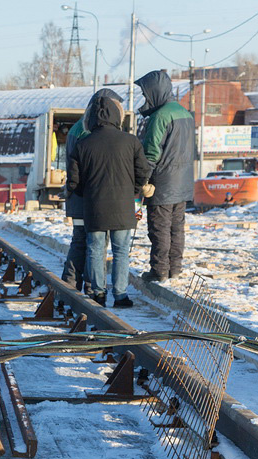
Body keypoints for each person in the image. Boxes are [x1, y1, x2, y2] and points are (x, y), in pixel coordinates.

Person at [67, 95, 153, 308]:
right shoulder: (130, 141)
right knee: (121, 250)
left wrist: (87, 193)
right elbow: (143, 171)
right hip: (123, 206)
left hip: (94, 207)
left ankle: (98, 294)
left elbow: (73, 181)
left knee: (95, 249)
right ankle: (121, 295)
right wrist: (132, 190)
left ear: (92, 117)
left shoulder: (83, 143)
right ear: (117, 116)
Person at [62, 88, 125, 292]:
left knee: (82, 241)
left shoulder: (78, 128)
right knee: (90, 243)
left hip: (80, 196)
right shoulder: (88, 131)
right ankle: (86, 287)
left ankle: (71, 286)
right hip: (87, 197)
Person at [135, 70, 196, 282]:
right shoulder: (185, 113)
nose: (145, 99)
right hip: (183, 182)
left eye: (145, 94)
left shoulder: (159, 117)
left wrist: (142, 180)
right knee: (176, 228)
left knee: (159, 229)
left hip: (162, 183)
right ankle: (175, 269)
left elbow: (151, 153)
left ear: (155, 91)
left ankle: (159, 270)